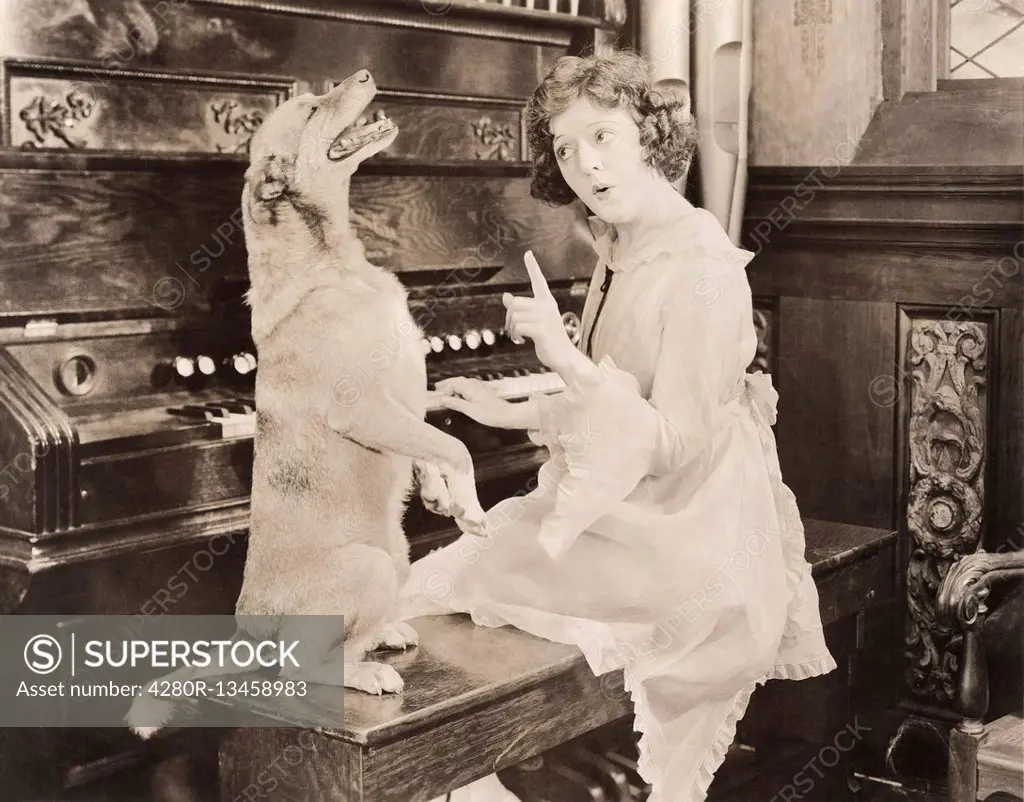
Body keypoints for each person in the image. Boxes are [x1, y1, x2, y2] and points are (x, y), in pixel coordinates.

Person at [402, 50, 836, 802]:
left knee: (433, 593)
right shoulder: (618, 244)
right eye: (565, 149)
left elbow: (670, 444)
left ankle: (475, 780)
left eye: (602, 136)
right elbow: (607, 406)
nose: (584, 166)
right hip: (626, 508)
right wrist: (502, 406)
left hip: (688, 529)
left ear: (649, 133)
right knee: (420, 594)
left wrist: (562, 356)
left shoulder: (703, 268)